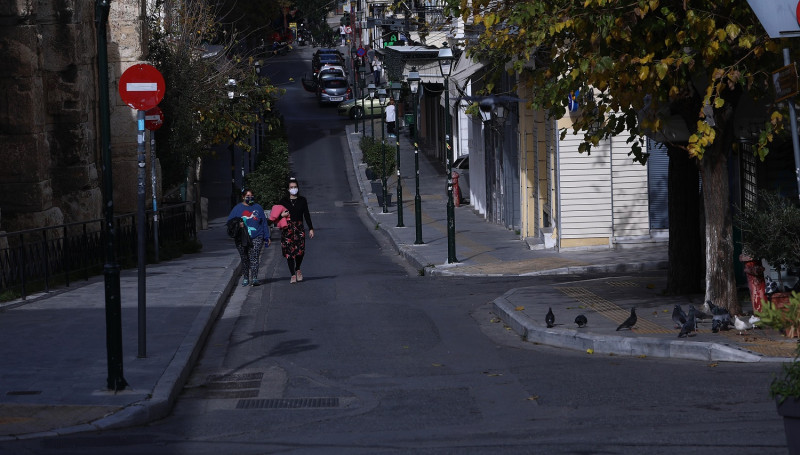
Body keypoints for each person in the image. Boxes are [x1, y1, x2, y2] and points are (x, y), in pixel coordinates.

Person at [227, 189, 270, 286]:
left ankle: (254, 278)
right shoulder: (237, 208)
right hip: (241, 238)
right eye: (247, 196)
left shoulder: (258, 207)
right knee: (244, 258)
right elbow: (229, 222)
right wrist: (238, 224)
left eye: (251, 196)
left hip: (257, 236)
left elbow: (263, 222)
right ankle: (246, 277)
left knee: (254, 257)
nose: (250, 198)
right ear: (243, 197)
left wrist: (267, 236)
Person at [277, 177, 315, 284]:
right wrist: (282, 215)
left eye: (295, 187)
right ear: (288, 189)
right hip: (287, 228)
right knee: (289, 252)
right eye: (291, 187)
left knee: (300, 251)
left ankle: (297, 268)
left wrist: (311, 228)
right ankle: (292, 275)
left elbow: (306, 214)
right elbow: (276, 215)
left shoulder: (302, 200)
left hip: (299, 227)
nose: (293, 189)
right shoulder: (283, 201)